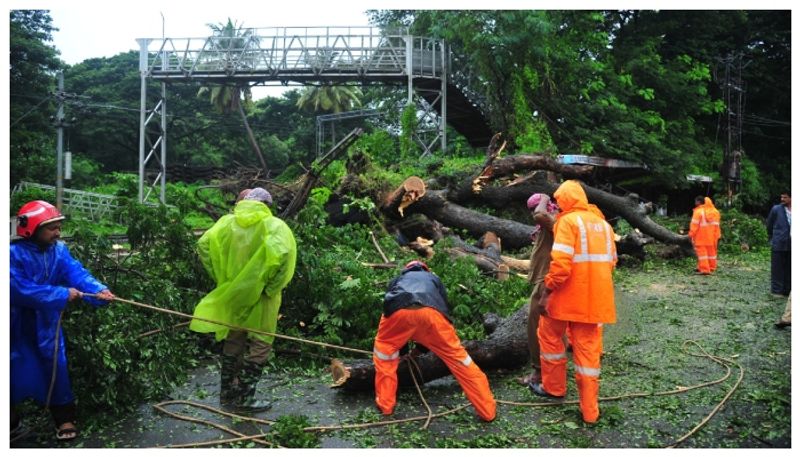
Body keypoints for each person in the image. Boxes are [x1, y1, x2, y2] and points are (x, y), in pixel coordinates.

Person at [10, 200, 115, 441]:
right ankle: (11, 421)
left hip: (47, 321)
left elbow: (76, 273)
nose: (58, 232)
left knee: (55, 363)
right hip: (14, 322)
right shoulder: (11, 254)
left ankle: (64, 417)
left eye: (59, 226)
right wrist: (61, 294)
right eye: (52, 228)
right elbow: (17, 289)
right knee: (12, 366)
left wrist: (99, 290)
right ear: (32, 229)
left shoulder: (59, 251)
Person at [190, 187, 297, 412]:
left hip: (234, 294)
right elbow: (284, 258)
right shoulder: (275, 226)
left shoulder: (226, 223)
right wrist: (270, 288)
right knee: (260, 344)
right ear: (267, 205)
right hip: (262, 298)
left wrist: (221, 277)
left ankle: (227, 394)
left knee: (234, 340)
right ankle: (246, 399)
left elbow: (203, 246)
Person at [530, 180, 617, 424]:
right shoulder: (604, 225)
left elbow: (561, 266)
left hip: (564, 299)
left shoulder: (566, 222)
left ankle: (554, 388)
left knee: (549, 337)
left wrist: (546, 293)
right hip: (595, 301)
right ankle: (590, 412)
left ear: (564, 200)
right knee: (588, 355)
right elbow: (612, 262)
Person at [372, 260, 496, 422]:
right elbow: (443, 308)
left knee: (385, 354)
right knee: (460, 361)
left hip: (399, 312)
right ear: (425, 269)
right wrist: (418, 351)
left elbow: (393, 321)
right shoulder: (433, 279)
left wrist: (402, 354)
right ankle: (487, 410)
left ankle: (386, 405)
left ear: (406, 270)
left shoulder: (397, 280)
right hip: (432, 314)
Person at [518, 193, 559, 387]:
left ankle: (539, 372)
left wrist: (544, 198)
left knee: (536, 326)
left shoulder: (555, 220)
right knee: (551, 326)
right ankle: (550, 369)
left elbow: (540, 215)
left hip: (547, 280)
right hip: (545, 279)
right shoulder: (551, 221)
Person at [766, 191, 791, 296]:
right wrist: (774, 237)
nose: (782, 199)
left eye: (785, 197)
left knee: (790, 268)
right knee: (777, 268)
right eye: (781, 197)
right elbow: (769, 225)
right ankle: (777, 290)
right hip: (778, 242)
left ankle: (788, 289)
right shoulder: (776, 209)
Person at [688, 196, 722, 275]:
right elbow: (717, 226)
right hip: (712, 237)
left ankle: (704, 269)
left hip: (701, 237)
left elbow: (694, 224)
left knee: (702, 254)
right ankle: (711, 267)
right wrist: (717, 236)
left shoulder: (698, 212)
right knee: (711, 253)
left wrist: (691, 234)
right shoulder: (716, 212)